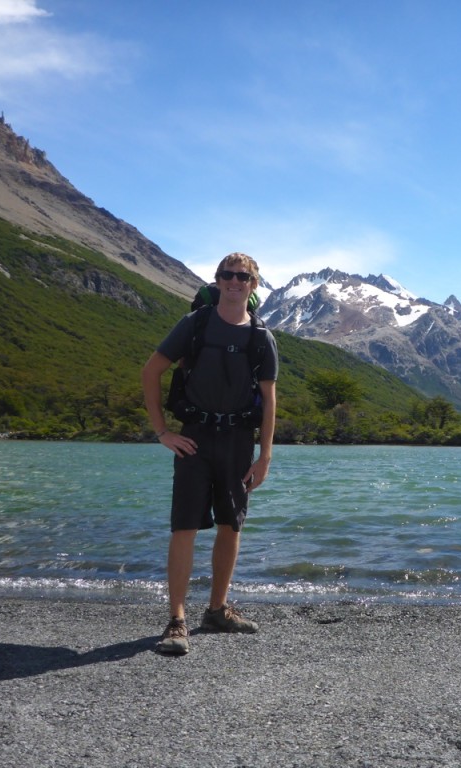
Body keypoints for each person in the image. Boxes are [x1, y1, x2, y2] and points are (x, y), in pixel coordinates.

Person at [141, 252, 278, 655]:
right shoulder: (195, 324)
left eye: (243, 277)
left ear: (254, 285)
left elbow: (269, 400)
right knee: (184, 526)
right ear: (216, 281)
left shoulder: (261, 337)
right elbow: (151, 371)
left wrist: (265, 456)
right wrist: (162, 432)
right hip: (194, 438)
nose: (234, 281)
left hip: (238, 441)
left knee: (230, 525)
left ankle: (216, 610)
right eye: (226, 275)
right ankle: (177, 620)